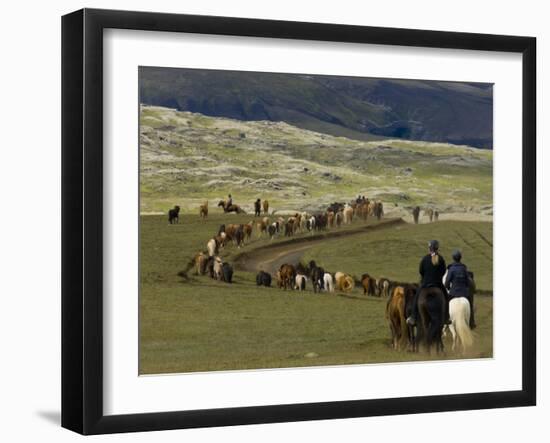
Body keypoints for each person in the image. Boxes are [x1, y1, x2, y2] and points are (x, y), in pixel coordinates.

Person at [406, 240, 448, 326]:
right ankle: (446, 317)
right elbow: (443, 271)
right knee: (446, 296)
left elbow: (421, 271)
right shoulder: (441, 258)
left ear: (429, 248)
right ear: (437, 248)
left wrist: (426, 277)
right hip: (438, 284)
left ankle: (413, 317)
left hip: (425, 284)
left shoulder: (425, 259)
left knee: (417, 297)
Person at [445, 250, 476, 329]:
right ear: (460, 258)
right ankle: (472, 322)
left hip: (453, 293)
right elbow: (467, 281)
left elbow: (447, 282)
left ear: (453, 258)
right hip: (464, 293)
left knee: (446, 304)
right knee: (470, 305)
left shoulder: (451, 269)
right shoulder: (464, 268)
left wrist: (448, 288)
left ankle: (446, 319)